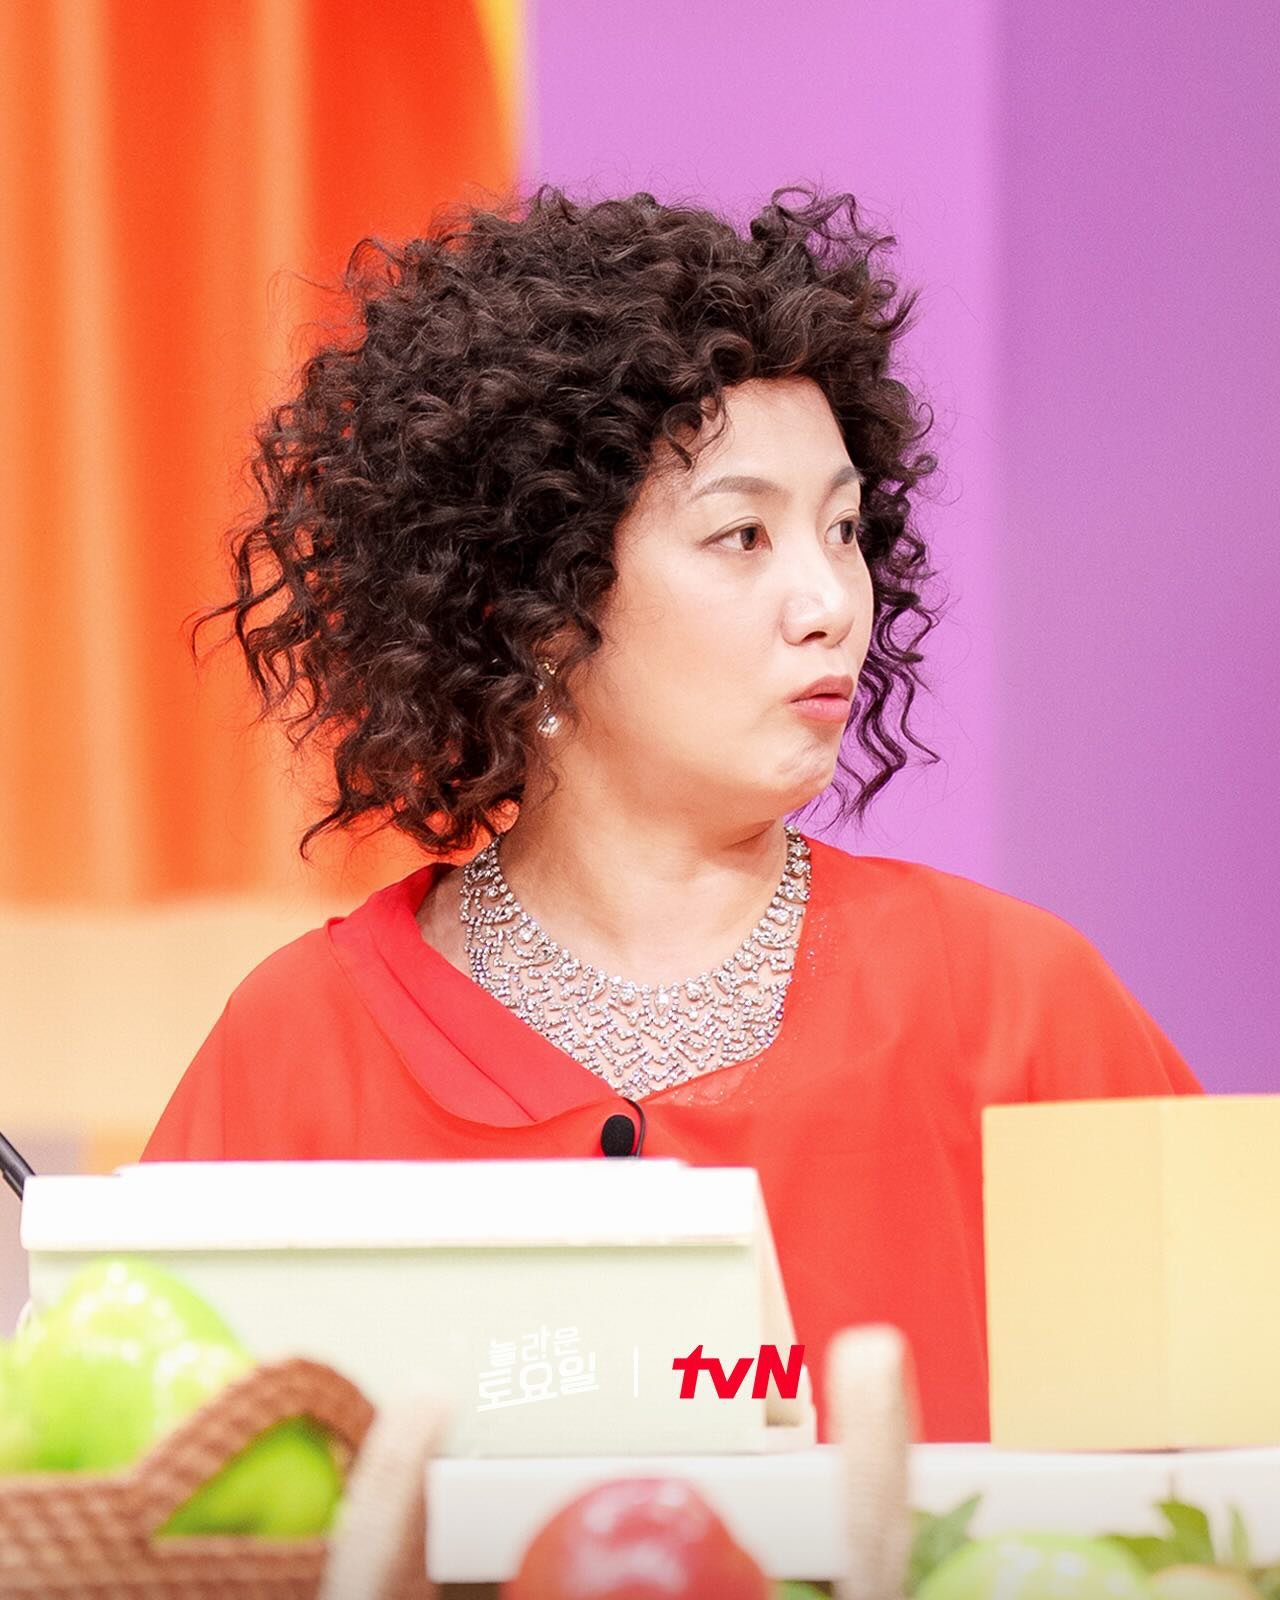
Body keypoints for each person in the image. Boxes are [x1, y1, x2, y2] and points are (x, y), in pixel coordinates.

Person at [141, 184, 1204, 1444]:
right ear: (532, 609)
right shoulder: (296, 1047)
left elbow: (1217, 1479)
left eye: (843, 530)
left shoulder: (1017, 1005)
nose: (829, 602)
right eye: (742, 535)